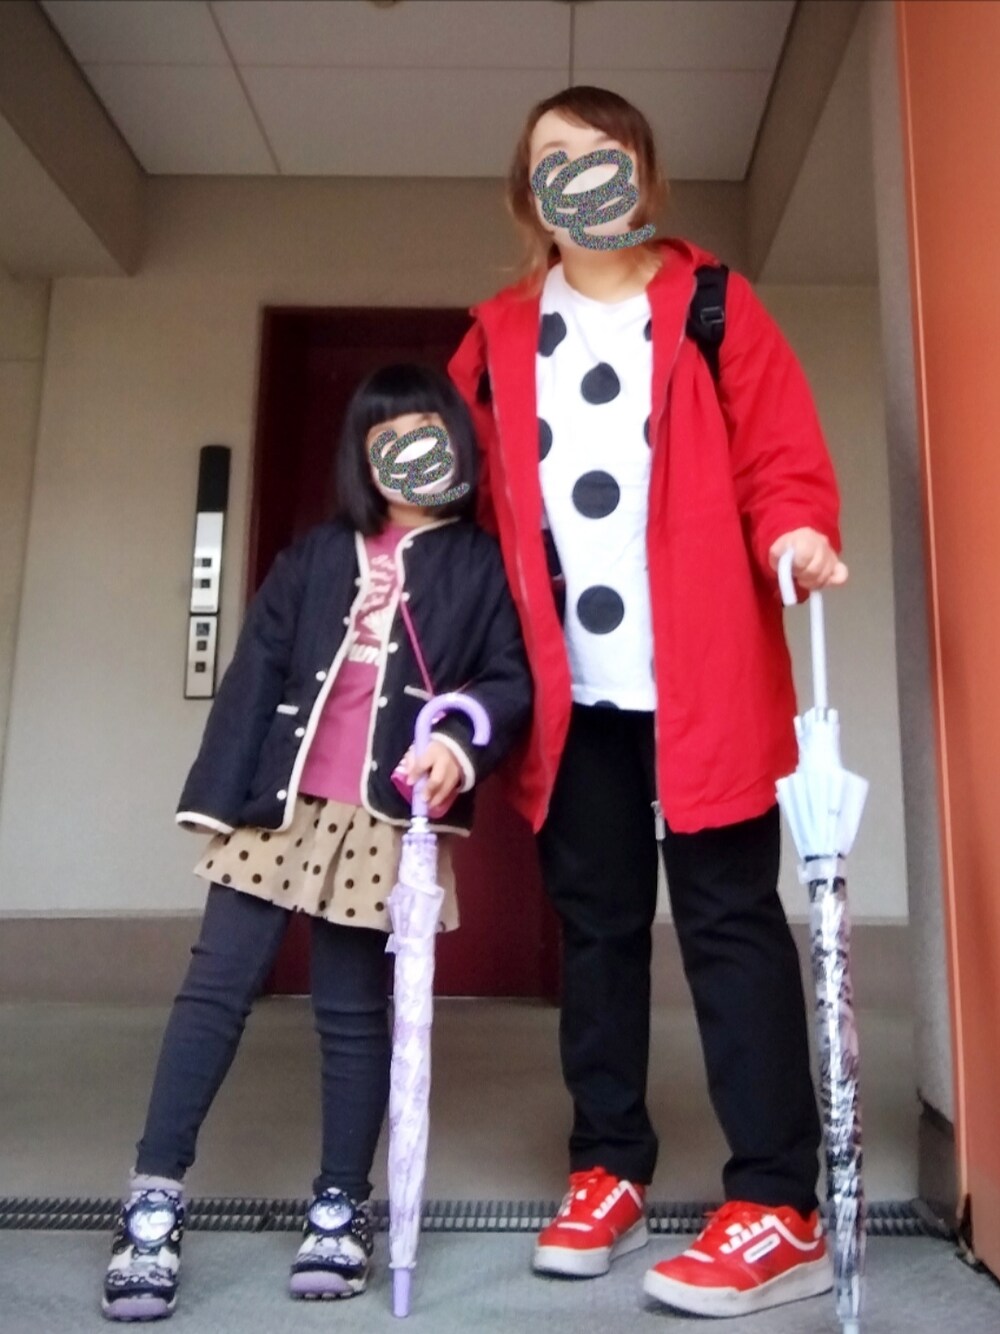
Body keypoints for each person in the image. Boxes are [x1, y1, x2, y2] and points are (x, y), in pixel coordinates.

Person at [448, 86, 847, 1320]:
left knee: (730, 920)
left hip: (704, 681)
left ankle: (778, 1202)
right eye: (552, 158)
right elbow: (459, 503)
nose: (578, 174)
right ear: (528, 196)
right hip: (570, 696)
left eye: (602, 153)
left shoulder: (713, 304)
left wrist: (796, 528)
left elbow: (779, 455)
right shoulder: (496, 338)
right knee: (598, 926)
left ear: (642, 176)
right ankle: (608, 1163)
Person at [100, 364, 532, 1321]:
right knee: (214, 992)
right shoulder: (315, 557)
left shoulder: (480, 566)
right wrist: (217, 801)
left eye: (428, 437)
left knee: (351, 1010)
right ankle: (153, 1200)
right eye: (389, 442)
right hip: (278, 809)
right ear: (362, 460)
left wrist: (461, 746)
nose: (411, 456)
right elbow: (254, 678)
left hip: (385, 817)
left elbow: (509, 679)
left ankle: (341, 1205)